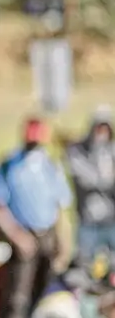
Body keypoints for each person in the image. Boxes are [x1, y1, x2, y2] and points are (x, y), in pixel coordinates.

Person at [0, 118, 73, 318]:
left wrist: (63, 241)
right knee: (17, 297)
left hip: (47, 235)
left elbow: (60, 205)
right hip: (23, 236)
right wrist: (16, 236)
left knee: (44, 291)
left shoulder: (49, 165)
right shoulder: (9, 165)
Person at [67, 106, 115, 265]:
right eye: (99, 128)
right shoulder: (78, 152)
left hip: (111, 221)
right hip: (88, 222)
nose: (102, 133)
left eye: (105, 128)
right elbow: (86, 179)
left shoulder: (111, 151)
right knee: (85, 266)